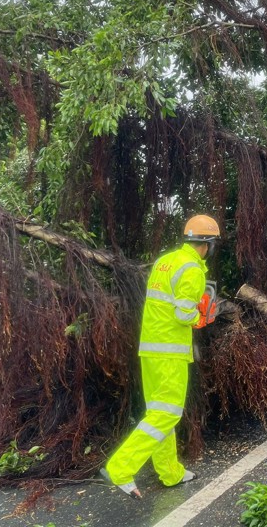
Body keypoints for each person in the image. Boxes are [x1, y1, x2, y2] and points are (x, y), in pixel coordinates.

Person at [101, 214, 221, 499]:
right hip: (171, 353)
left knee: (160, 413)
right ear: (208, 244)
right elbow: (182, 314)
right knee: (167, 414)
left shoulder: (165, 261)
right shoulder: (193, 269)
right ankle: (120, 468)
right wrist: (201, 317)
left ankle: (170, 473)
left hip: (151, 349)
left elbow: (163, 305)